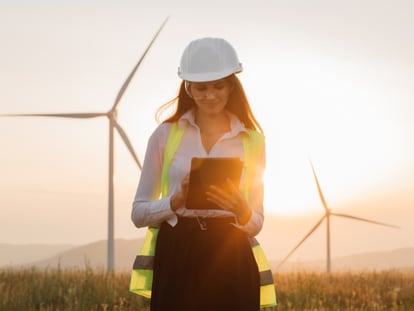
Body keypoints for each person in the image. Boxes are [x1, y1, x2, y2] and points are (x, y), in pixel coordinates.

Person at [130, 37, 276, 311]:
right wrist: (175, 200)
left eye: (218, 86)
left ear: (231, 86)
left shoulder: (253, 141)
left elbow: (256, 221)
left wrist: (242, 210)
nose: (210, 95)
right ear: (188, 88)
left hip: (231, 255)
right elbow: (138, 213)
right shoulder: (164, 136)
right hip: (177, 255)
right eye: (201, 88)